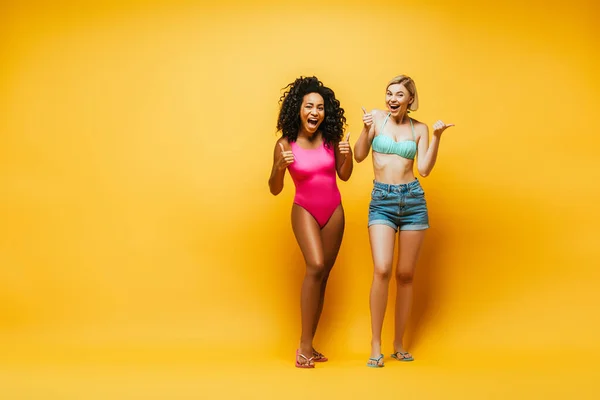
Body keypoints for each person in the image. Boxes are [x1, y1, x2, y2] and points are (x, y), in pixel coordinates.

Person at [353, 75, 454, 367]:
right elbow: (359, 156)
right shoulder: (376, 119)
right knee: (382, 269)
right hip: (382, 202)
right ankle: (376, 344)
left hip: (412, 202)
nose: (392, 99)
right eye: (389, 93)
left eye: (399, 94)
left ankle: (398, 343)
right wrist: (365, 129)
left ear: (410, 99)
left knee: (406, 275)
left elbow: (424, 169)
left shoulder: (419, 128)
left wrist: (436, 138)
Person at [268, 76, 353, 368]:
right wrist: (279, 168)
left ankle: (310, 345)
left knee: (323, 277)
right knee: (315, 266)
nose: (315, 112)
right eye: (309, 106)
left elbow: (344, 176)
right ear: (298, 109)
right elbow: (275, 188)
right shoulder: (284, 143)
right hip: (304, 207)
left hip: (334, 211)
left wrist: (348, 155)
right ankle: (303, 348)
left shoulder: (331, 139)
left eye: (320, 107)